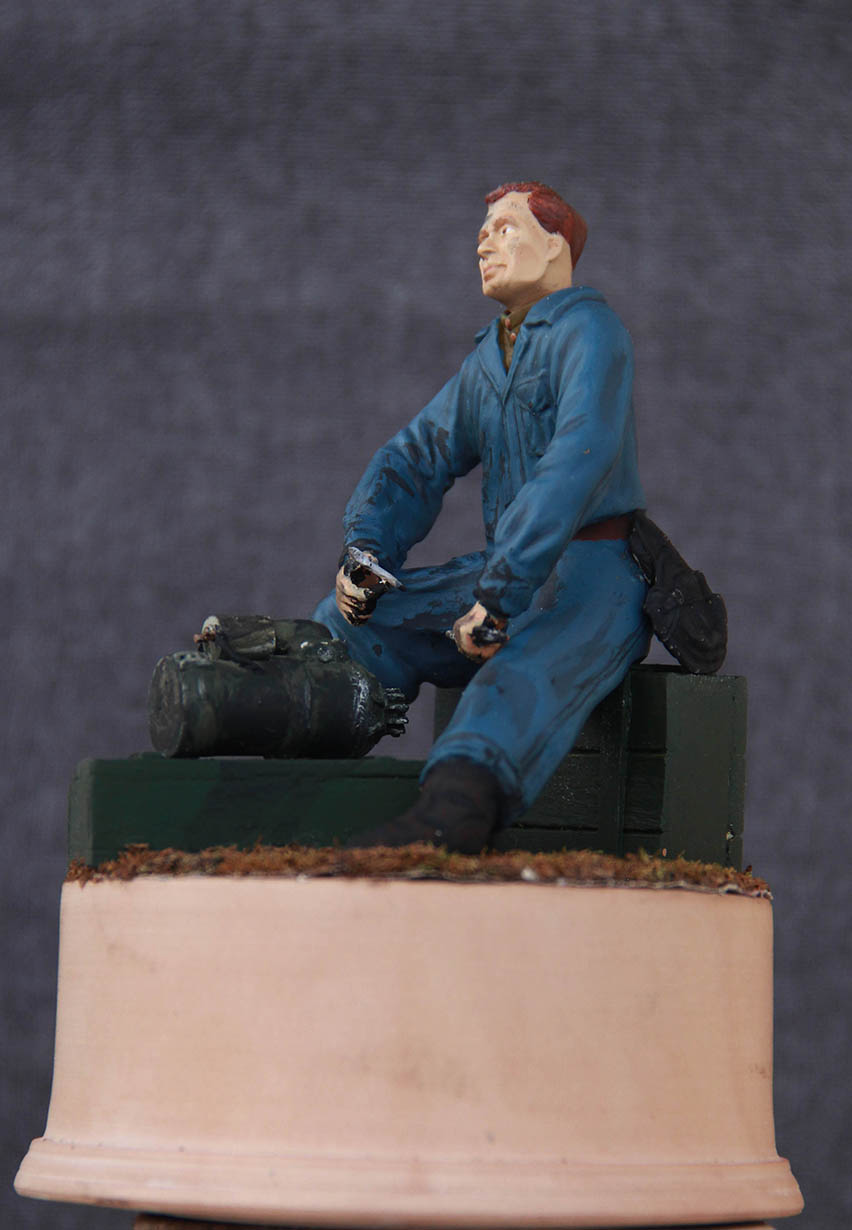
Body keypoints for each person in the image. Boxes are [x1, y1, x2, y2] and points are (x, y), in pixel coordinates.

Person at [314, 181, 650, 852]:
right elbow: (417, 456)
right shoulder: (490, 361)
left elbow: (576, 462)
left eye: (504, 229)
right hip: (508, 574)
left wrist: (499, 595)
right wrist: (367, 551)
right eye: (482, 232)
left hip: (590, 575)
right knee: (355, 619)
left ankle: (453, 811)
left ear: (555, 246)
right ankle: (309, 738)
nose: (484, 243)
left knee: (520, 674)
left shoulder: (590, 333)